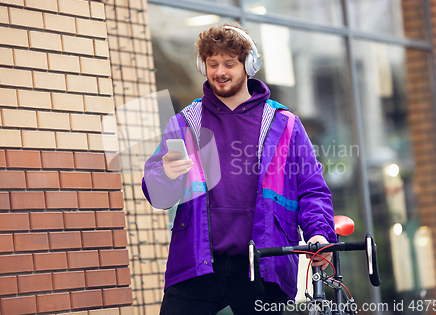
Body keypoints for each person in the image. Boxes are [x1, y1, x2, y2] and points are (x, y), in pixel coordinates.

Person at [142, 22, 337, 315]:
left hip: (264, 263)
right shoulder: (184, 123)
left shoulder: (285, 124)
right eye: (212, 63)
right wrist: (164, 176)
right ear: (202, 65)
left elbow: (311, 188)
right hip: (198, 262)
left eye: (229, 63)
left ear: (249, 64)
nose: (220, 71)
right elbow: (158, 194)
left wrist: (319, 233)